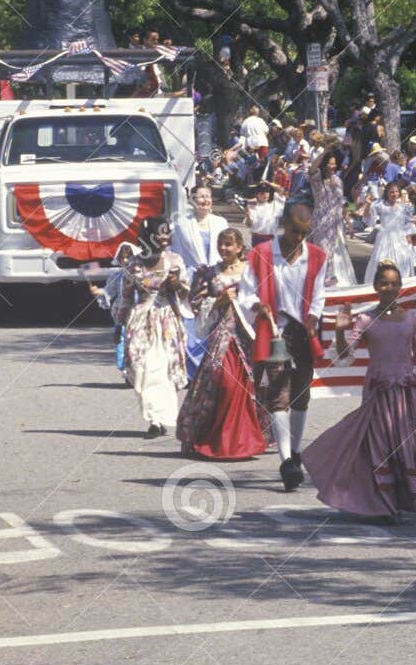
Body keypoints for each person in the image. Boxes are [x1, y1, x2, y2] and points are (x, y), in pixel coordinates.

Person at [302, 261, 416, 521]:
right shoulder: (366, 319)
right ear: (376, 287)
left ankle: (401, 498)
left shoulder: (412, 319)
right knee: (382, 446)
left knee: (414, 444)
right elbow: (344, 354)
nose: (389, 287)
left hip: (407, 393)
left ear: (400, 287)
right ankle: (385, 505)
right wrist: (342, 331)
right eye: (384, 283)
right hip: (379, 392)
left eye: (394, 283)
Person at [238, 201, 328, 491]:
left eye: (304, 233)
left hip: (304, 333)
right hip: (276, 331)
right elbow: (245, 293)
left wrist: (314, 316)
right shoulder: (261, 254)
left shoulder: (317, 256)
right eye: (294, 231)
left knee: (301, 395)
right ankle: (286, 460)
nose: (298, 238)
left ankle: (296, 451)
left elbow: (319, 293)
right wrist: (257, 306)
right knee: (278, 393)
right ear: (283, 224)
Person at [176, 229, 267, 460]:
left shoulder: (252, 271)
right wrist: (218, 300)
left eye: (229, 244)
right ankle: (210, 437)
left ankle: (242, 440)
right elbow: (195, 302)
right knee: (223, 381)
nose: (224, 248)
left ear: (239, 247)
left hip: (248, 334)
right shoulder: (209, 273)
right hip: (222, 334)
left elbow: (266, 298)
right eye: (221, 244)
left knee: (246, 385)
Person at [113, 217, 190, 438]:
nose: (165, 237)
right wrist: (119, 325)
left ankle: (158, 420)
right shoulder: (133, 264)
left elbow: (187, 294)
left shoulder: (175, 261)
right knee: (141, 367)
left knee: (165, 367)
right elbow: (126, 297)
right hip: (140, 320)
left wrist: (176, 285)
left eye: (168, 232)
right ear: (148, 236)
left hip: (167, 320)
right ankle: (153, 415)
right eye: (161, 233)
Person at [305, 151, 356, 287]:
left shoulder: (338, 180)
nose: (333, 166)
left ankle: (327, 279)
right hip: (321, 220)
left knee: (332, 251)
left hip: (336, 222)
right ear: (324, 164)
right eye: (330, 164)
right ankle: (319, 281)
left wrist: (349, 222)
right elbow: (311, 169)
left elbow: (341, 203)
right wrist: (325, 152)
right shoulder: (317, 179)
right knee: (321, 250)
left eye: (334, 164)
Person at [170, 184, 228, 271]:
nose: (206, 200)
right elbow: (177, 252)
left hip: (217, 273)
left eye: (208, 197)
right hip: (190, 274)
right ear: (193, 200)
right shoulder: (182, 224)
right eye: (202, 197)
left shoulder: (221, 222)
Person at [367, 181, 416, 278]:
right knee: (381, 258)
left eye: (396, 192)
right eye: (391, 192)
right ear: (387, 193)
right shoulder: (381, 206)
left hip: (400, 236)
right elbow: (370, 219)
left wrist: (409, 235)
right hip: (384, 237)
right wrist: (368, 204)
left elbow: (408, 223)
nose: (394, 194)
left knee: (401, 259)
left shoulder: (404, 207)